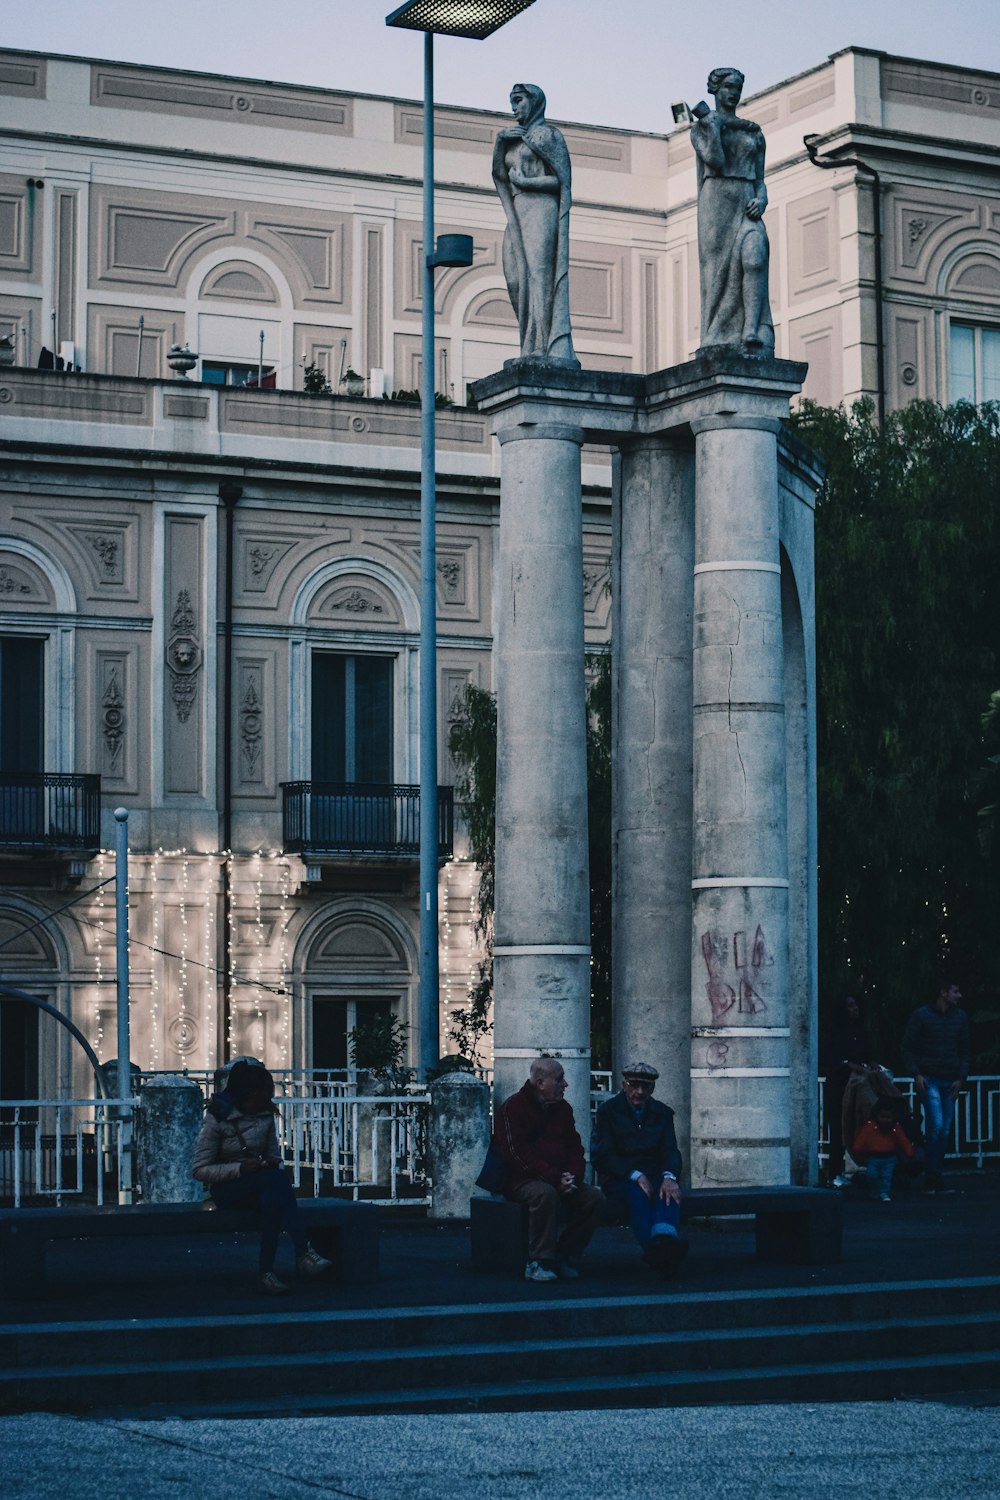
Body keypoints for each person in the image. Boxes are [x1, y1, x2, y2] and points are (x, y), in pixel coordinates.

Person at [192, 1059, 332, 1294]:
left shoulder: (265, 1116)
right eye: (265, 1093)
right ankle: (302, 1253)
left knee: (272, 1200)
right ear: (249, 1095)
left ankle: (267, 1272)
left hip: (260, 1184)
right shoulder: (217, 1118)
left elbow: (273, 1156)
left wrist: (266, 1163)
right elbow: (199, 1169)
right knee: (276, 1183)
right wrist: (239, 1168)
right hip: (227, 1189)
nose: (270, 1098)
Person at [493, 1055, 604, 1282]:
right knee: (544, 1194)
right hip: (520, 1179)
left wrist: (572, 1176)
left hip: (558, 1177)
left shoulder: (563, 1109)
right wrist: (556, 1179)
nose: (565, 1084)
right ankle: (539, 1260)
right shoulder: (513, 1108)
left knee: (595, 1197)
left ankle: (567, 1254)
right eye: (559, 1079)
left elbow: (575, 1147)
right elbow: (516, 1155)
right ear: (541, 1083)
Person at [492, 83, 578, 365]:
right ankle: (528, 345)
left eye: (518, 101)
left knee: (540, 277)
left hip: (541, 208)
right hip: (518, 212)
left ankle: (543, 347)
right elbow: (499, 176)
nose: (514, 108)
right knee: (517, 278)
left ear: (535, 101)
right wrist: (500, 142)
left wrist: (528, 183)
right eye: (512, 102)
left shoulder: (548, 135)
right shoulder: (512, 140)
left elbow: (561, 181)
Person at [691, 67, 775, 354]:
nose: (734, 93)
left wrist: (762, 198)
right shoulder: (703, 126)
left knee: (755, 256)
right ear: (716, 89)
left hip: (747, 199)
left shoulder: (752, 131)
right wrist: (713, 127)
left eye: (737, 87)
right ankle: (718, 334)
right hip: (717, 201)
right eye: (728, 87)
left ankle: (751, 328)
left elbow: (761, 178)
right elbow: (714, 160)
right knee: (718, 271)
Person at [590, 1061, 689, 1278]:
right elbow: (602, 1155)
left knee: (669, 1193)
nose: (640, 1092)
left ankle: (661, 1246)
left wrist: (669, 1176)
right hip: (620, 1177)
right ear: (624, 1085)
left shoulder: (662, 1113)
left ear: (652, 1088)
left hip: (655, 1175)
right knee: (637, 1195)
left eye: (645, 1087)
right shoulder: (608, 1112)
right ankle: (661, 1252)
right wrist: (634, 1175)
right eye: (634, 1086)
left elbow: (670, 1151)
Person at [901, 981, 970, 1194]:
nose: (959, 995)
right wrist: (917, 1074)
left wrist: (961, 1078)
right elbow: (907, 1047)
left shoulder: (959, 1018)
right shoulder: (922, 1015)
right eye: (955, 991)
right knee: (938, 1126)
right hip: (930, 1077)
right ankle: (932, 1176)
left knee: (943, 1129)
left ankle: (935, 1175)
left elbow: (965, 1050)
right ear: (943, 992)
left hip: (949, 1079)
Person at [823, 995, 870, 1187]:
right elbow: (831, 1059)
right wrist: (850, 1065)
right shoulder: (836, 1032)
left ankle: (852, 1169)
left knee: (854, 1126)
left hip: (855, 1085)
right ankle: (835, 1172)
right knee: (837, 1128)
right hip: (839, 1085)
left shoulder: (859, 1030)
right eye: (850, 1006)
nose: (855, 1009)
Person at [851, 1100, 915, 1202]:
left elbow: (903, 1140)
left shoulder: (895, 1128)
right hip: (873, 1157)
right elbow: (863, 1138)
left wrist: (909, 1152)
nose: (885, 1120)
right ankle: (874, 1190)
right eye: (882, 1117)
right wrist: (857, 1148)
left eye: (888, 1117)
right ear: (876, 1116)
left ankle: (884, 1192)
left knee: (886, 1177)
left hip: (889, 1158)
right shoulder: (870, 1127)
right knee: (871, 1175)